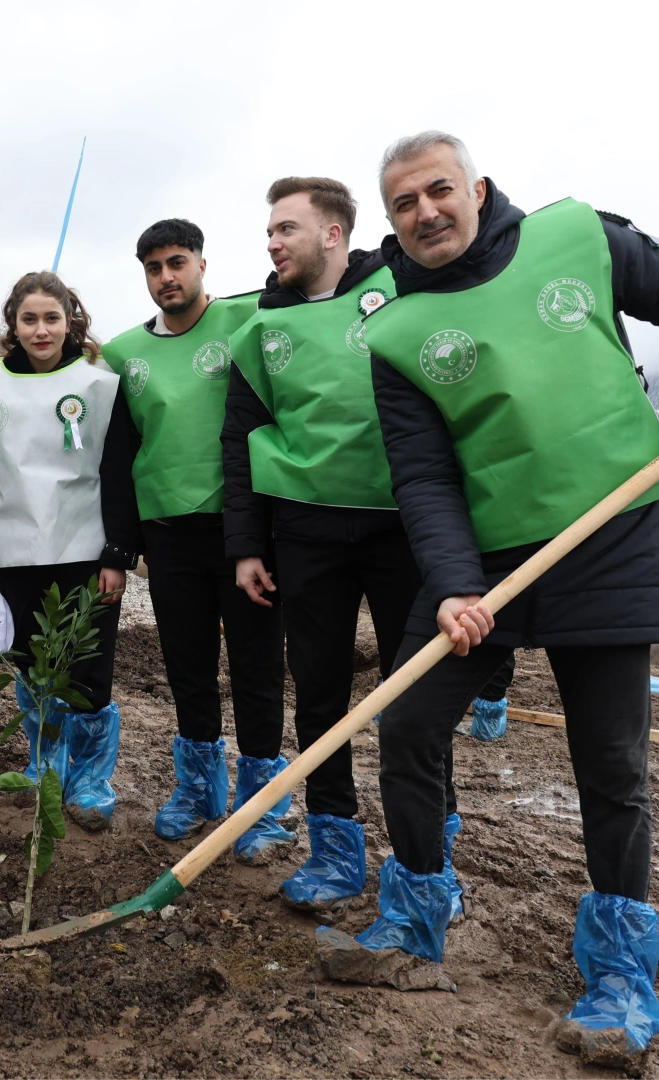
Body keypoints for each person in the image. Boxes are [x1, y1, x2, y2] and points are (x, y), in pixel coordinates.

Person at [351, 131, 659, 1066]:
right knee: (406, 721)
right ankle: (416, 919)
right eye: (404, 204)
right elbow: (425, 475)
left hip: (608, 536)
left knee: (609, 763)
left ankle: (618, 977)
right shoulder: (395, 332)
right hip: (483, 557)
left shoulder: (578, 237)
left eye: (439, 191)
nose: (425, 213)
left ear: (477, 189)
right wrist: (450, 587)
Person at [223, 178, 434, 907]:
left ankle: (429, 858)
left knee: (421, 697)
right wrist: (247, 544)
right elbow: (240, 438)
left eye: (286, 229)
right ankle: (335, 850)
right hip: (306, 531)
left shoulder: (401, 292)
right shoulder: (259, 329)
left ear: (334, 234)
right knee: (318, 693)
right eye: (270, 232)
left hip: (406, 525)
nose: (273, 243)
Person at [99, 218, 285, 844]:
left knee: (258, 663)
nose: (165, 277)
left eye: (176, 263)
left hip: (245, 530)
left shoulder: (244, 323)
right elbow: (119, 456)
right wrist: (123, 547)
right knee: (188, 665)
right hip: (169, 533)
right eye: (153, 268)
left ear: (202, 264)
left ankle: (262, 803)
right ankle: (199, 787)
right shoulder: (125, 354)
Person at [0, 270, 139, 829]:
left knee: (89, 663)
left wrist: (117, 552)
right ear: (13, 324)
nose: (41, 330)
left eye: (51, 318)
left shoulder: (99, 384)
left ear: (70, 320)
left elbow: (118, 469)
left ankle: (88, 780)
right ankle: (45, 764)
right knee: (30, 658)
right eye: (29, 319)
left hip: (85, 550)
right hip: (15, 549)